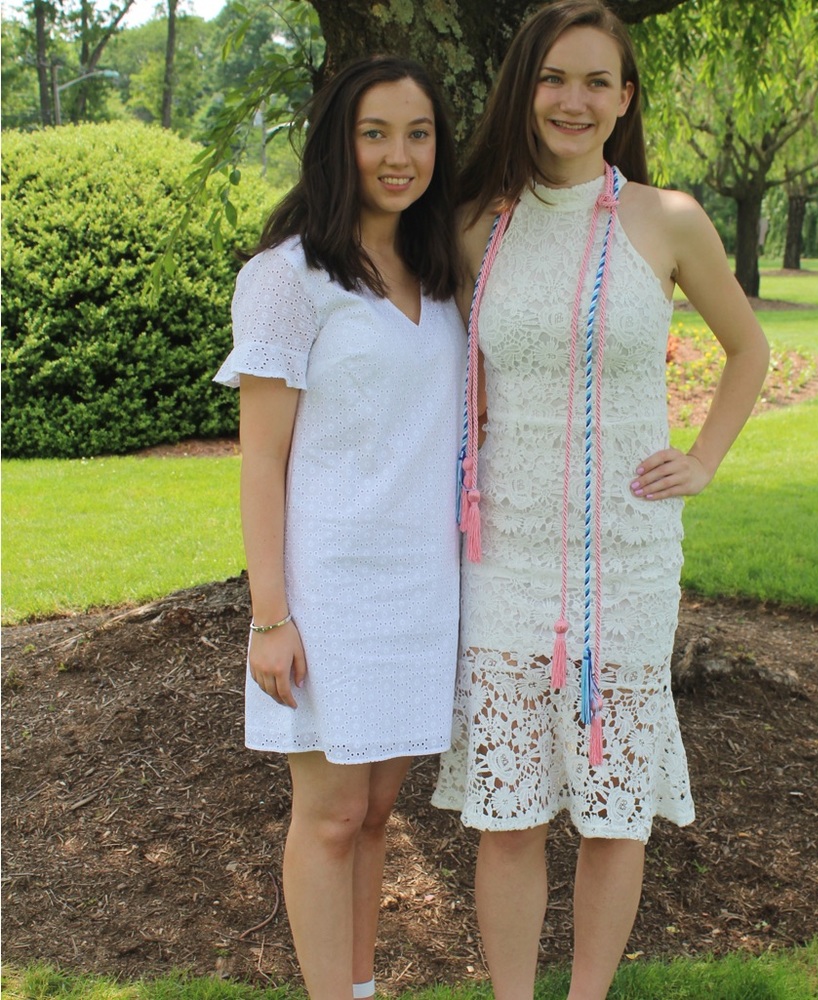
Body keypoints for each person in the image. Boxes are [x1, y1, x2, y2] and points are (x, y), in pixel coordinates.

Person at [431, 3, 770, 998]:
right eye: (553, 79)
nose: (572, 100)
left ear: (624, 100)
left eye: (595, 82)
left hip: (622, 554)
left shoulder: (666, 220)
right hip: (505, 553)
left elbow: (747, 349)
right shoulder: (473, 227)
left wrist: (702, 459)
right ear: (522, 90)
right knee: (508, 811)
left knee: (613, 807)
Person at [213, 56, 464, 1000]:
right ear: (338, 143)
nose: (399, 156)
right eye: (375, 134)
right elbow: (262, 462)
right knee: (326, 817)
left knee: (375, 812)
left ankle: (359, 988)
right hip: (328, 588)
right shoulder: (287, 278)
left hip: (421, 584)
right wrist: (269, 615)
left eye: (419, 134)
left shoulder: (441, 271)